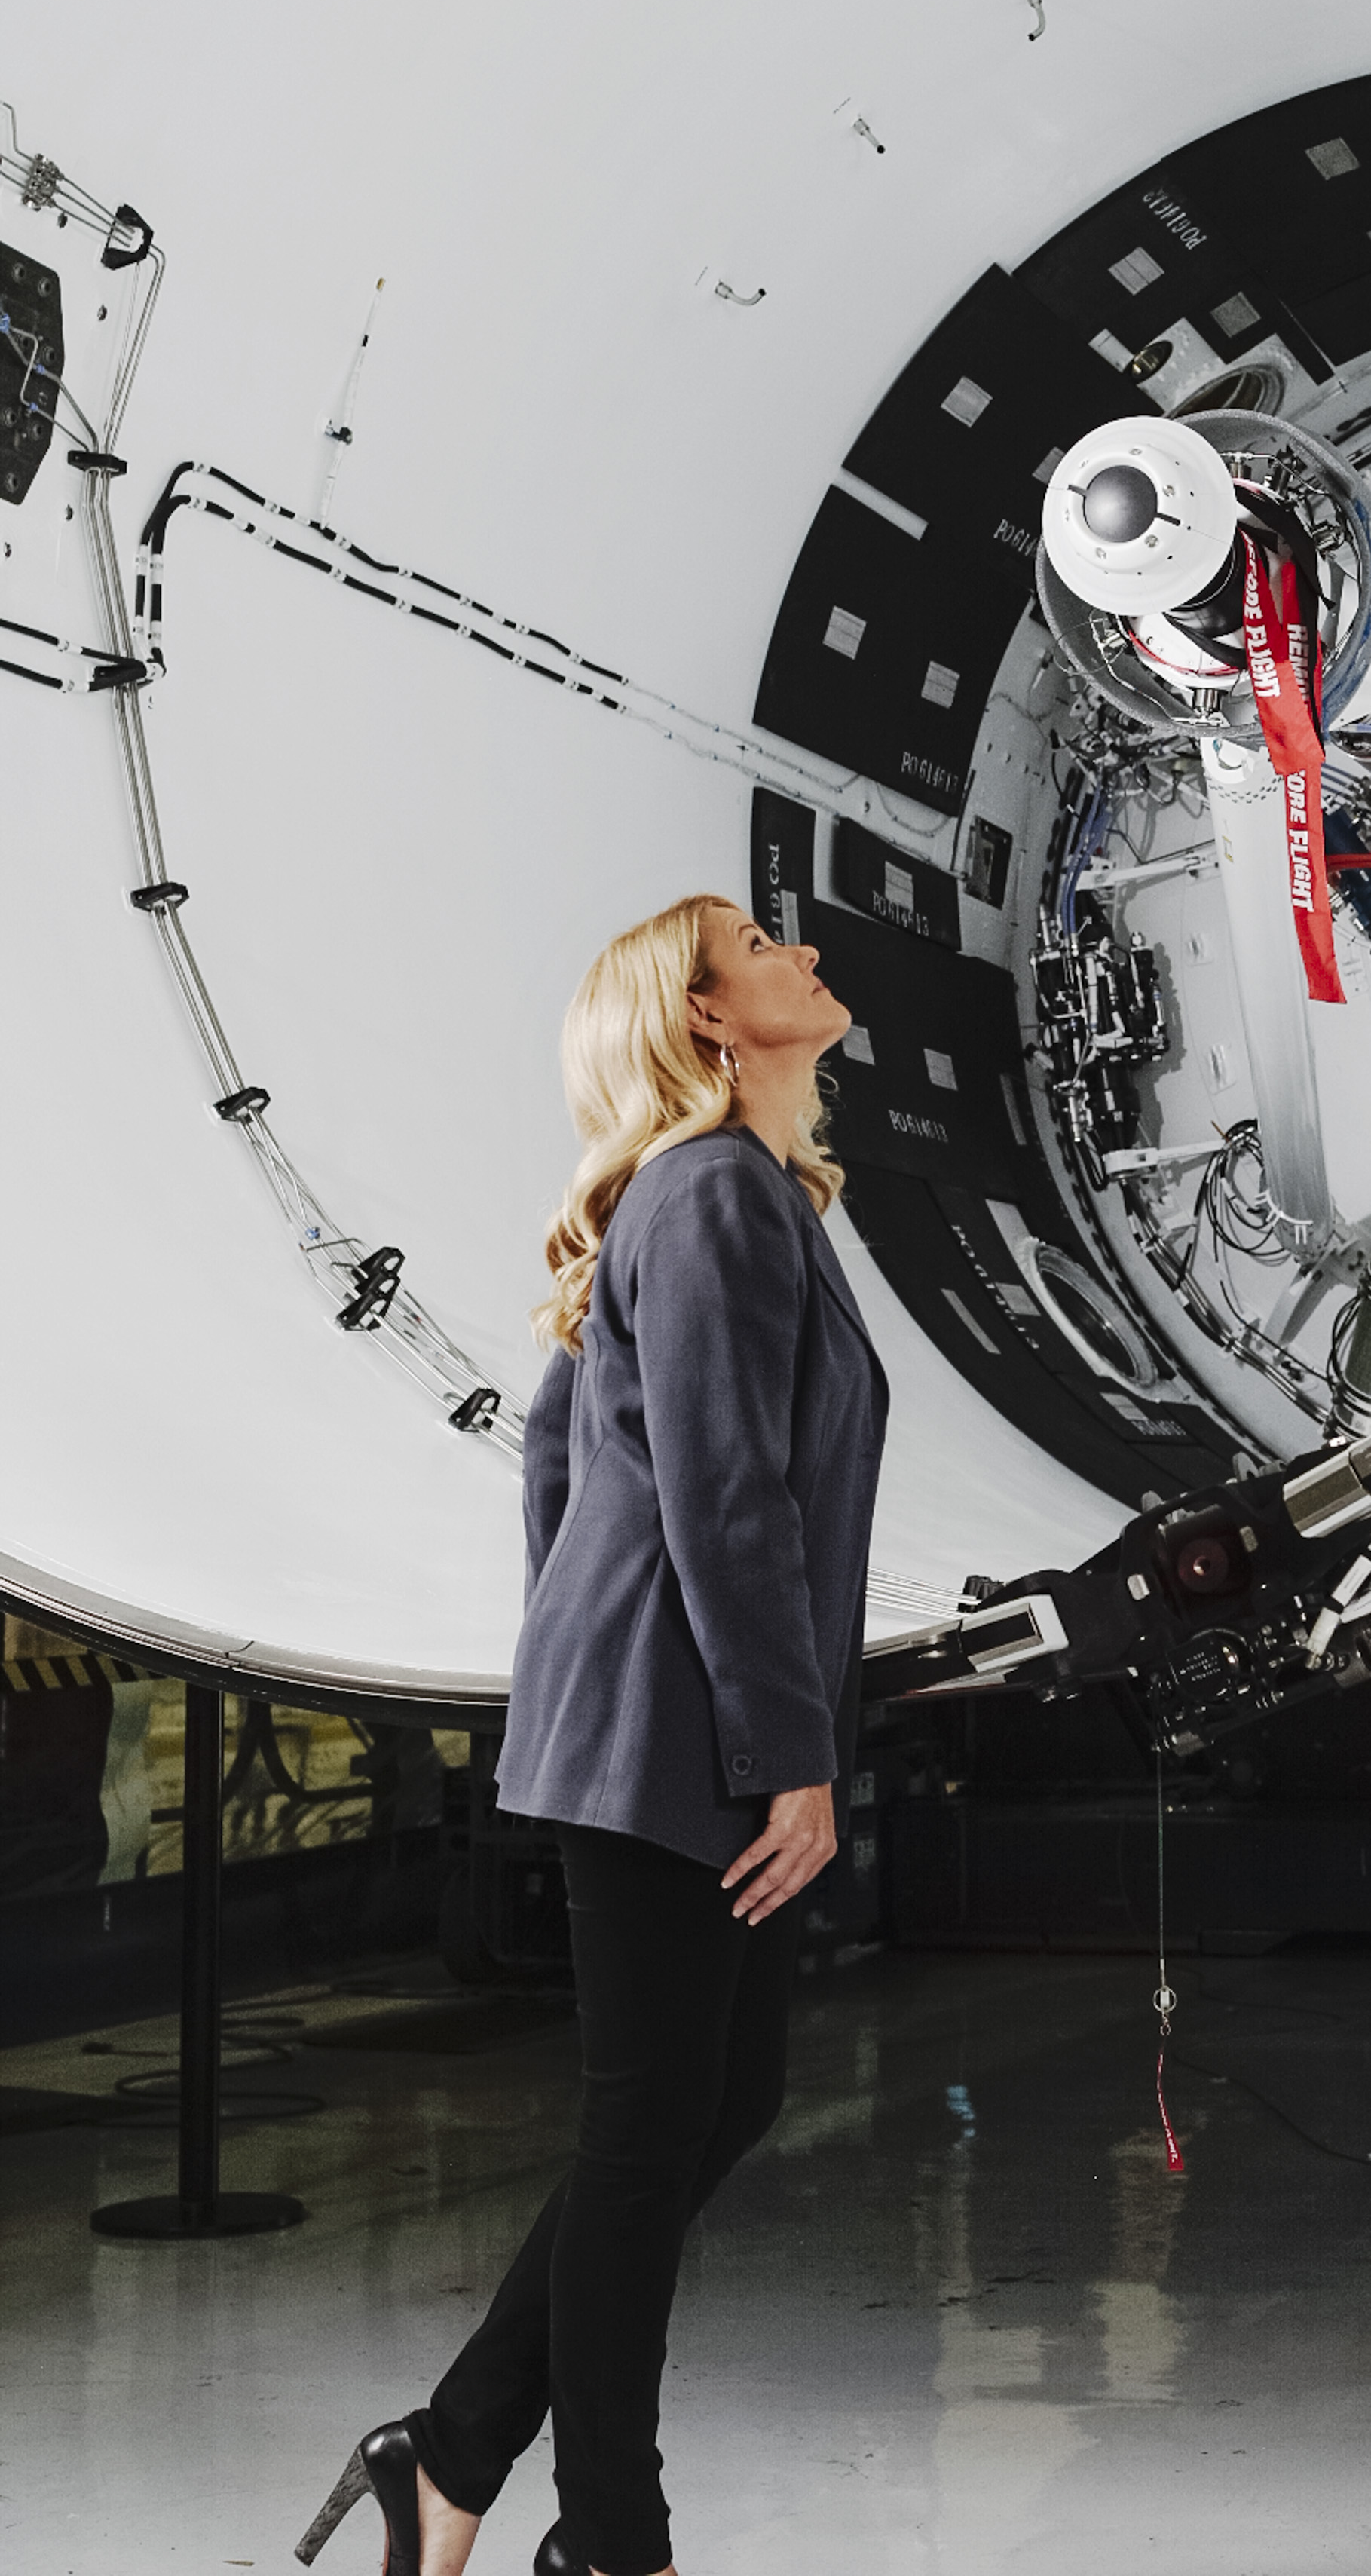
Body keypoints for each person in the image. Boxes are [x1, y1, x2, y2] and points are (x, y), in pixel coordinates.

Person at [297, 895, 885, 2576]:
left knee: (723, 2095)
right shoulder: (709, 1198)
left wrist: (595, 1658)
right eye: (762, 947)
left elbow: (566, 1460)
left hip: (655, 1711)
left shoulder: (746, 1197)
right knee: (650, 2132)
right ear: (707, 1020)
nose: (805, 956)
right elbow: (724, 1495)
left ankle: (452, 2450)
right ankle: (611, 2544)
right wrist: (782, 1746)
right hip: (676, 1731)